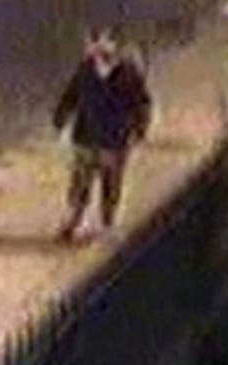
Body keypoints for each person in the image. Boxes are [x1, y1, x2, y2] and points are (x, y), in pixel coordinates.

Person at [52, 28, 153, 242]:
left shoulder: (128, 72)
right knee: (80, 181)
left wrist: (140, 128)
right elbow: (70, 96)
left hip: (115, 139)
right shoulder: (85, 70)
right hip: (86, 136)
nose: (97, 46)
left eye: (104, 41)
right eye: (94, 42)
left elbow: (142, 102)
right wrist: (60, 120)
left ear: (114, 45)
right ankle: (75, 219)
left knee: (111, 183)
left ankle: (108, 223)